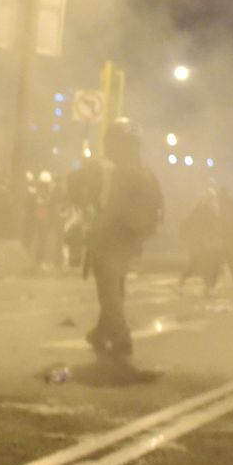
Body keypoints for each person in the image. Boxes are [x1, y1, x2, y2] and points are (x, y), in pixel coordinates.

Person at [68, 120, 162, 358]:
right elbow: (158, 208)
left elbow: (111, 207)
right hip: (132, 240)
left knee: (109, 291)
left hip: (109, 238)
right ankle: (102, 332)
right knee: (115, 287)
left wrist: (92, 231)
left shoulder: (113, 170)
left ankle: (121, 338)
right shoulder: (146, 172)